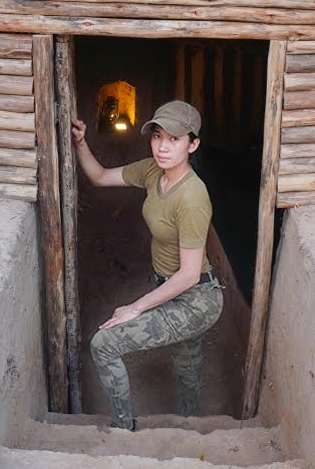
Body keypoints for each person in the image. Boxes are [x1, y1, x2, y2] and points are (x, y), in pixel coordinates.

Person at [71, 100, 224, 430]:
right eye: (157, 136)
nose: (162, 147)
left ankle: (123, 430)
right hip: (170, 288)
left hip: (197, 298)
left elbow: (188, 274)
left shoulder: (193, 197)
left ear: (193, 144)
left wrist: (135, 308)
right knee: (186, 362)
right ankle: (188, 426)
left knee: (105, 344)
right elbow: (99, 176)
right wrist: (81, 143)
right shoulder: (154, 171)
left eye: (174, 139)